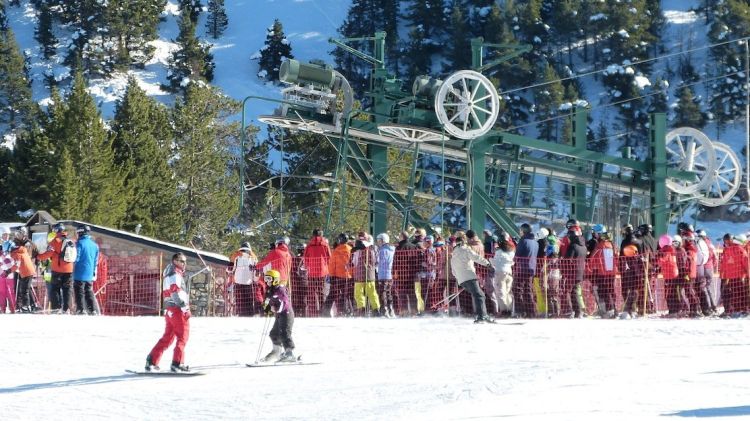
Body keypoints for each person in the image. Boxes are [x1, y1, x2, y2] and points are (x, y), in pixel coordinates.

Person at [146, 253, 191, 372]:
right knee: (183, 336)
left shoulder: (169, 272)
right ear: (175, 261)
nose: (184, 264)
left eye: (185, 261)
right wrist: (184, 307)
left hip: (170, 310)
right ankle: (177, 363)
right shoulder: (174, 273)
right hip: (177, 310)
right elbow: (174, 292)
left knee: (168, 337)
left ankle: (152, 360)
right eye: (182, 261)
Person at [450, 231, 494, 323]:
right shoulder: (465, 250)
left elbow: (453, 269)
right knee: (479, 295)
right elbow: (477, 258)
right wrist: (488, 264)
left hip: (461, 279)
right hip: (469, 276)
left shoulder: (454, 253)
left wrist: (459, 277)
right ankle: (482, 316)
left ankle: (481, 315)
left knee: (478, 295)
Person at [259, 269, 297, 363]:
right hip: (279, 315)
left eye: (269, 279)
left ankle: (289, 353)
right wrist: (266, 307)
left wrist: (275, 309)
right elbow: (267, 301)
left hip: (286, 314)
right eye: (266, 279)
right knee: (274, 333)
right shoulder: (269, 290)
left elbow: (284, 303)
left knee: (284, 332)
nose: (267, 281)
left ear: (275, 279)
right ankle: (276, 352)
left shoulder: (280, 289)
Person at [37, 223, 75, 313]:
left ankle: (56, 308)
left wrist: (38, 256)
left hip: (57, 269)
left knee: (55, 289)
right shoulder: (70, 241)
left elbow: (47, 254)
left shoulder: (55, 241)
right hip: (69, 269)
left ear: (56, 230)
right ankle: (66, 309)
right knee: (67, 290)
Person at [588, 225, 617, 318]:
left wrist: (589, 268)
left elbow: (593, 258)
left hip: (603, 272)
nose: (594, 234)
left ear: (599, 233)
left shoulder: (602, 245)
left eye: (595, 233)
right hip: (610, 272)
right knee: (610, 290)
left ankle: (609, 310)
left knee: (605, 291)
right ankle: (612, 310)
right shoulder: (611, 243)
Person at [321, 234, 352, 317]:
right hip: (347, 276)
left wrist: (331, 275)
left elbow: (331, 264)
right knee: (345, 294)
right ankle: (343, 311)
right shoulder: (350, 249)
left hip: (336, 276)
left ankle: (326, 310)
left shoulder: (336, 250)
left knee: (333, 293)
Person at [303, 229, 331, 317]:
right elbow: (329, 257)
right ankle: (322, 311)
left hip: (311, 272)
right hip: (322, 272)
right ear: (321, 235)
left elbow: (305, 258)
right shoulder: (325, 245)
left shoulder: (309, 245)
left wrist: (308, 266)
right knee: (321, 292)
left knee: (311, 293)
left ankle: (312, 312)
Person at [351, 233, 380, 317]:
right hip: (370, 275)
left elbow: (354, 262)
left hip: (359, 275)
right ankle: (376, 310)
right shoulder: (373, 248)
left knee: (358, 294)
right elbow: (377, 261)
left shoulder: (356, 250)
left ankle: (361, 309)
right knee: (372, 293)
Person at [73, 225, 100, 315]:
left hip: (79, 272)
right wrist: (93, 271)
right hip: (89, 272)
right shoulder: (95, 245)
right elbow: (96, 260)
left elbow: (76, 257)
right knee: (89, 291)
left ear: (80, 233)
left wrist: (72, 266)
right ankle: (93, 310)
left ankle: (81, 309)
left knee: (79, 291)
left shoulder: (79, 243)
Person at [719, 234, 748, 317]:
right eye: (725, 241)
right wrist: (722, 274)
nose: (726, 242)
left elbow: (745, 261)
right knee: (733, 294)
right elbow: (724, 263)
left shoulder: (739, 248)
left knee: (741, 293)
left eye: (728, 240)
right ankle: (735, 310)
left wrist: (747, 273)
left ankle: (744, 309)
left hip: (739, 276)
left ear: (732, 240)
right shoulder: (726, 249)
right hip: (729, 276)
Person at [513, 223, 539, 318]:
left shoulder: (523, 241)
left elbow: (518, 255)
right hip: (532, 268)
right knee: (528, 290)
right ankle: (531, 311)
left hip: (522, 268)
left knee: (517, 289)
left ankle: (520, 311)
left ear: (523, 231)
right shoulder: (535, 242)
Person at [563, 225, 588, 318]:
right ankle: (578, 311)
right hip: (580, 272)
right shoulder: (584, 246)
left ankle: (570, 310)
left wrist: (562, 266)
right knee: (576, 291)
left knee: (568, 291)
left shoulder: (573, 246)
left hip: (571, 272)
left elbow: (568, 260)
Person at [227, 242, 258, 316]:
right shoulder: (253, 258)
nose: (245, 253)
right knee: (248, 302)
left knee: (241, 302)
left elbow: (229, 269)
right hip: (248, 283)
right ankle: (248, 315)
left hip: (240, 284)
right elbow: (256, 273)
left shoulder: (236, 257)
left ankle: (242, 315)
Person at [393, 231, 420, 316]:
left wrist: (394, 272)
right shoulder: (414, 246)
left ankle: (403, 312)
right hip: (411, 274)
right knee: (412, 293)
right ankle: (414, 311)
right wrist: (416, 271)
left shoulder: (399, 247)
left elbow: (395, 261)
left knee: (402, 293)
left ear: (401, 237)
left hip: (401, 274)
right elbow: (417, 260)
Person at [8, 237, 37, 313]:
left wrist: (8, 271)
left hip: (26, 273)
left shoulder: (17, 254)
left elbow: (16, 265)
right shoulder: (22, 251)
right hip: (27, 272)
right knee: (27, 289)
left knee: (24, 290)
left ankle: (26, 306)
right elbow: (20, 264)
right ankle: (33, 304)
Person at [491, 232, 515, 317]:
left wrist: (490, 260)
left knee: (500, 292)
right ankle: (509, 310)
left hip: (500, 272)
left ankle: (504, 310)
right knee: (508, 292)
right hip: (509, 272)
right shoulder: (512, 251)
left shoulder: (499, 252)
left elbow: (496, 262)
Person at [694, 229, 717, 316]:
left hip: (703, 267)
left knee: (704, 288)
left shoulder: (700, 244)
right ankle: (713, 306)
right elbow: (715, 257)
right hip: (710, 267)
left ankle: (708, 307)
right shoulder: (710, 243)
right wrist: (713, 266)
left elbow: (699, 257)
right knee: (709, 288)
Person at [375, 233, 395, 318]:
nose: (378, 242)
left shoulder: (382, 251)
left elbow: (379, 262)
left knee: (382, 293)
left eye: (379, 240)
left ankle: (384, 310)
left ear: (383, 240)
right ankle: (391, 309)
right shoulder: (392, 249)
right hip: (389, 274)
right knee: (388, 293)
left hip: (382, 275)